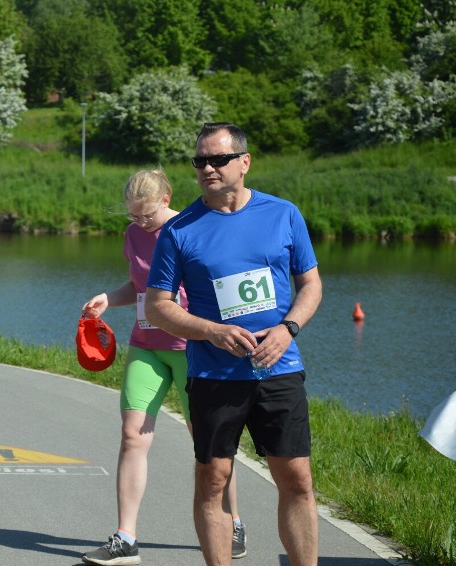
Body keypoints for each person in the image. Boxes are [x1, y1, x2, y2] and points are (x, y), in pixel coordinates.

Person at [145, 122, 322, 566]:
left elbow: (311, 285)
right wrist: (211, 331)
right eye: (199, 160)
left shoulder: (283, 214)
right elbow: (157, 307)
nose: (207, 167)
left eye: (217, 159)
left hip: (277, 368)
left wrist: (288, 329)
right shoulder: (179, 230)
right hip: (213, 374)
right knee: (213, 479)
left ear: (244, 162)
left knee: (297, 479)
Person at [80, 170, 246, 566]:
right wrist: (107, 298)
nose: (141, 222)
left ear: (167, 197)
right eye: (134, 215)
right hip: (147, 348)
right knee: (132, 436)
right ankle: (125, 538)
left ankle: (233, 523)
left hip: (192, 350)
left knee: (209, 448)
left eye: (147, 215)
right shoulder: (132, 234)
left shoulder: (192, 229)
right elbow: (139, 288)